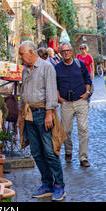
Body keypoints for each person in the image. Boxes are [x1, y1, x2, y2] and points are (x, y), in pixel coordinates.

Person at [17, 41, 67, 201]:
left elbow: (52, 93)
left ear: (31, 52)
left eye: (21, 54)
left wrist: (49, 114)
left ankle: (59, 186)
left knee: (50, 152)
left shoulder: (47, 68)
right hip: (29, 114)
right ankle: (47, 184)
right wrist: (20, 115)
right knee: (36, 153)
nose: (20, 57)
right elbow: (22, 92)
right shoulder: (25, 71)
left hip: (43, 114)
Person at [55, 42, 92, 167]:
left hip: (81, 101)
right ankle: (68, 151)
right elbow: (54, 84)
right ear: (60, 53)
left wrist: (87, 93)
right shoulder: (57, 68)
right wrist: (58, 97)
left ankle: (83, 157)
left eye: (68, 50)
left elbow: (88, 79)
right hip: (66, 103)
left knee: (83, 129)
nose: (66, 53)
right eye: (63, 51)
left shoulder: (79, 64)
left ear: (71, 51)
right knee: (65, 131)